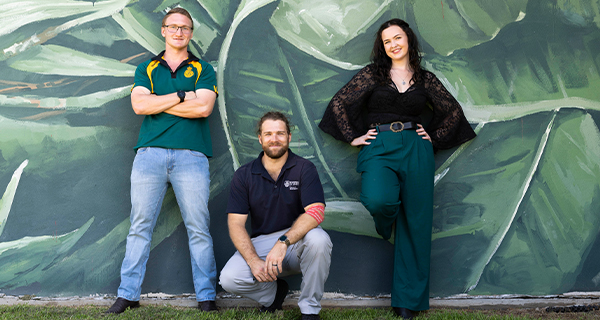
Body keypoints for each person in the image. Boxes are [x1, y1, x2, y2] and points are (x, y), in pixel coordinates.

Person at [318, 18, 476, 319]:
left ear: (408, 41)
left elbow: (452, 111)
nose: (393, 44)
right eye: (387, 40)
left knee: (416, 224)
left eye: (398, 38)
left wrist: (435, 136)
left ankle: (408, 303)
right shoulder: (373, 75)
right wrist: (354, 136)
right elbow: (340, 103)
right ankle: (385, 224)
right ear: (383, 46)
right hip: (380, 145)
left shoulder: (425, 80)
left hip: (416, 148)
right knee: (380, 200)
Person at [106, 8, 219, 314]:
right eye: (173, 27)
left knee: (199, 227)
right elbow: (140, 105)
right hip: (149, 155)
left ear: (191, 33)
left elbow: (204, 109)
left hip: (191, 156)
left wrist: (161, 102)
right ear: (163, 31)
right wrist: (184, 96)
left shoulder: (203, 69)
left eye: (185, 28)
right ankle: (128, 294)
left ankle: (206, 296)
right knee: (140, 226)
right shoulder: (147, 68)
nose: (179, 32)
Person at [219, 111, 332, 320]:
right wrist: (253, 260)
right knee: (229, 278)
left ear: (289, 137)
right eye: (268, 134)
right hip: (262, 244)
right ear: (260, 139)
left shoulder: (304, 168)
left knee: (319, 239)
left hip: (296, 240)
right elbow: (235, 224)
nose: (274, 139)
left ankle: (309, 310)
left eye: (280, 134)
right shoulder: (244, 174)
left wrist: (283, 242)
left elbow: (316, 212)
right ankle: (273, 294)